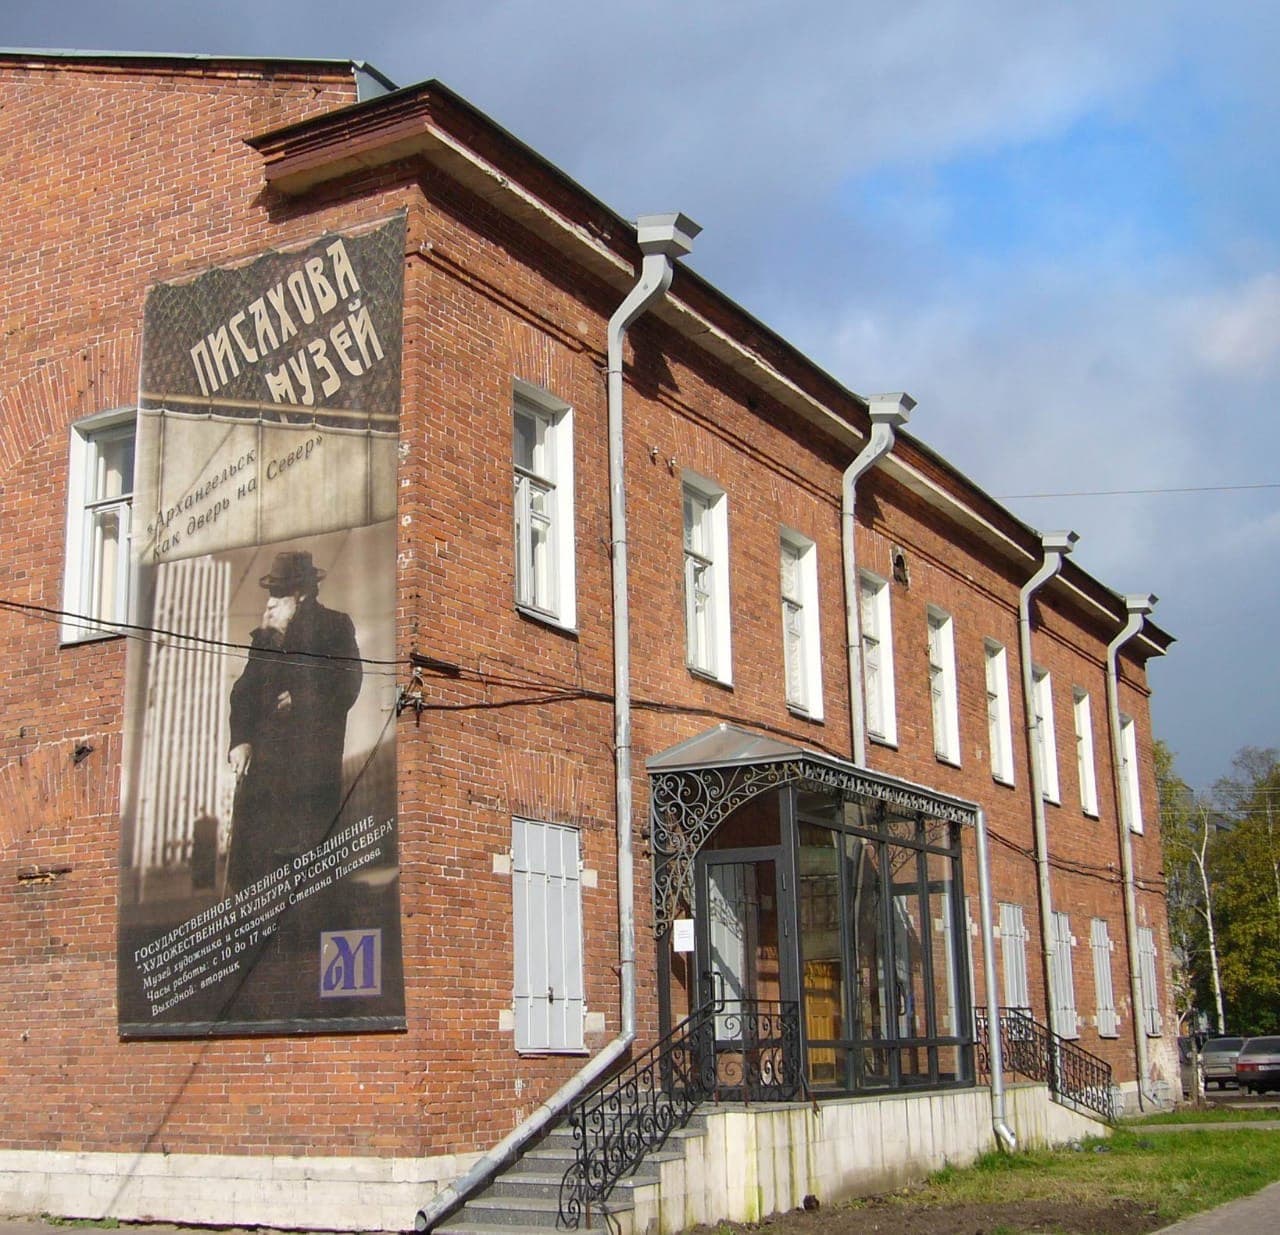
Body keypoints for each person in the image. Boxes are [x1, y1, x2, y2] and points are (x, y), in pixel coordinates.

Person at [224, 550, 362, 895]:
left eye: (280, 592)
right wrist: (240, 740)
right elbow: (243, 692)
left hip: (310, 763)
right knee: (257, 858)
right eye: (272, 591)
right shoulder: (267, 635)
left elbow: (348, 682)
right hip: (267, 764)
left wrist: (301, 700)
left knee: (303, 860)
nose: (272, 600)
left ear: (301, 593)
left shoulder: (334, 625)